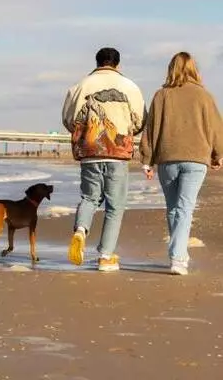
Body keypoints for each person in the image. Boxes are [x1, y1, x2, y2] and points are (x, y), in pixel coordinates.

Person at [61, 47, 146, 272]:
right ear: (117, 64)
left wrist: (84, 134)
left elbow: (68, 119)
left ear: (97, 62)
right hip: (117, 154)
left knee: (89, 198)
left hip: (89, 153)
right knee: (115, 206)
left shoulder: (79, 86)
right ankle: (106, 256)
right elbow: (140, 121)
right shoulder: (130, 86)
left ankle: (81, 230)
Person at [139, 52, 223, 275]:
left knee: (174, 208)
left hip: (168, 158)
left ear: (171, 69)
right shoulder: (204, 96)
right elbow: (216, 127)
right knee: (184, 208)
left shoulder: (161, 95)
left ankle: (178, 255)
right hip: (196, 159)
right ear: (194, 69)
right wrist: (218, 154)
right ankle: (178, 258)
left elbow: (151, 129)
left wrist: (147, 160)